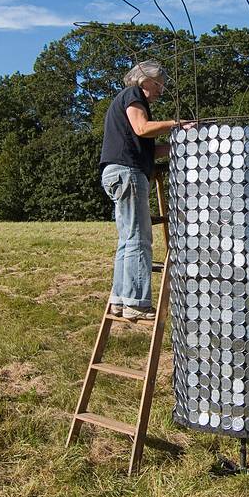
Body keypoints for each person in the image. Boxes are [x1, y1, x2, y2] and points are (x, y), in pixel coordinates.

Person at [99, 60, 191, 321]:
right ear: (145, 80)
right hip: (127, 172)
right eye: (159, 83)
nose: (161, 89)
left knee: (127, 240)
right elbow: (143, 128)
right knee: (140, 239)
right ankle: (137, 303)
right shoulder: (133, 96)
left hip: (119, 172)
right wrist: (176, 123)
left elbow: (151, 146)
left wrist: (185, 143)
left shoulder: (134, 105)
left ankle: (119, 300)